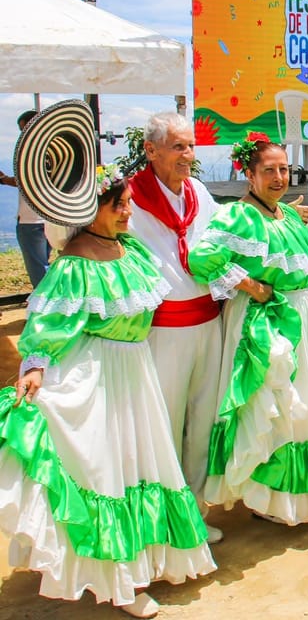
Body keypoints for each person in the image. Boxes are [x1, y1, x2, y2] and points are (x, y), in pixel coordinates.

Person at [0, 164, 216, 618]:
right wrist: (36, 366)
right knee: (112, 471)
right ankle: (123, 581)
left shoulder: (128, 249)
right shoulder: (75, 263)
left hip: (136, 370)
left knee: (141, 464)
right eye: (118, 205)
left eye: (128, 203)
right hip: (100, 373)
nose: (127, 211)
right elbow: (48, 322)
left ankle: (147, 559)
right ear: (90, 209)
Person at [188, 135, 308, 525]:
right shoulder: (238, 216)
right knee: (278, 404)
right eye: (268, 170)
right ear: (249, 174)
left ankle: (305, 493)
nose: (278, 178)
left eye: (284, 169)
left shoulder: (285, 214)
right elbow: (201, 258)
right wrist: (251, 286)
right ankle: (272, 497)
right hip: (267, 318)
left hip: (303, 316)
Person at [128, 112, 224, 545]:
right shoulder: (129, 197)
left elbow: (224, 232)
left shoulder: (198, 191)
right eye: (178, 147)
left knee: (203, 421)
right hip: (162, 330)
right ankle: (162, 523)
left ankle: (195, 515)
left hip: (209, 321)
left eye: (191, 146)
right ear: (151, 150)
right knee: (164, 424)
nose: (188, 155)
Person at [0, 110, 51, 288]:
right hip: (52, 216)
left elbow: (27, 181)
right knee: (45, 265)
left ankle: (44, 302)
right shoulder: (55, 148)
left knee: (37, 268)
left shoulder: (31, 151)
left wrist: (4, 179)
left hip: (31, 219)